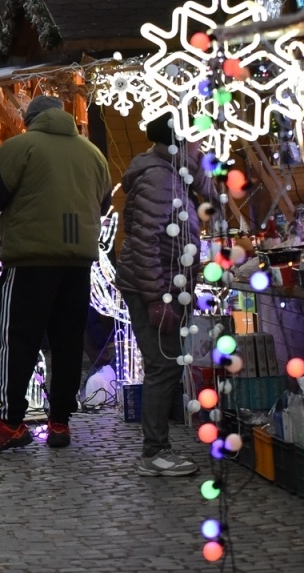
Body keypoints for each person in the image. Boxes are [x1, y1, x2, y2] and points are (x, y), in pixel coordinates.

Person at [0, 95, 111, 456]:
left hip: (30, 260)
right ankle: (59, 421)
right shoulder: (92, 153)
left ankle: (11, 423)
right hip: (78, 262)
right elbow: (104, 202)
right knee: (67, 343)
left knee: (19, 342)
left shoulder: (21, 148)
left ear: (30, 120)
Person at [116, 112, 217, 477]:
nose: (200, 147)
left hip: (167, 287)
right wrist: (157, 297)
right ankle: (154, 452)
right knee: (162, 366)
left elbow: (214, 196)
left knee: (167, 364)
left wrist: (198, 168)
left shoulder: (174, 174)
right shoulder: (160, 180)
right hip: (156, 289)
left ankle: (156, 449)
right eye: (194, 141)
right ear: (178, 142)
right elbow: (144, 244)